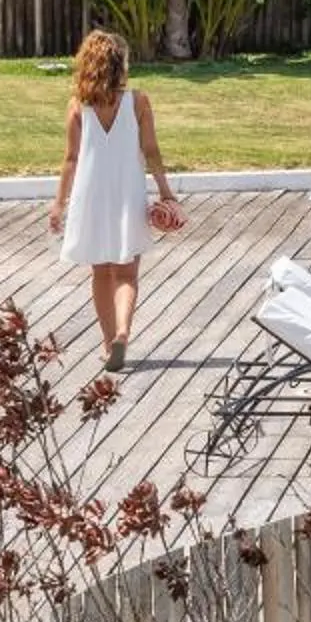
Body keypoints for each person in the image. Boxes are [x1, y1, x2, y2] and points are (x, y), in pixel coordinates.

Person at [49, 30, 179, 370]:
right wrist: (165, 191)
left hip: (90, 196)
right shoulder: (138, 101)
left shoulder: (77, 105)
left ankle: (108, 345)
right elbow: (150, 151)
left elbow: (71, 160)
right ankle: (123, 333)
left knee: (100, 272)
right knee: (126, 274)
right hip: (126, 193)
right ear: (119, 64)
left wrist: (59, 204)